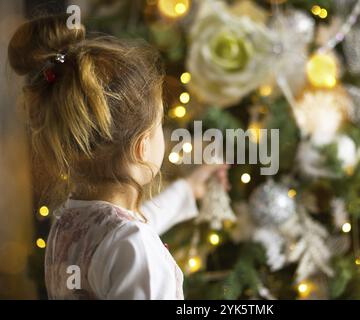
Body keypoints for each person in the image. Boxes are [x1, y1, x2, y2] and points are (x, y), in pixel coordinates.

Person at [8, 14, 228, 299]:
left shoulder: (68, 223)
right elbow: (130, 240)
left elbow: (127, 230)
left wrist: (187, 189)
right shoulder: (133, 247)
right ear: (141, 146)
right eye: (159, 124)